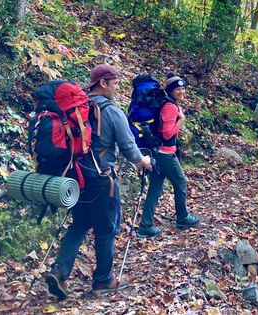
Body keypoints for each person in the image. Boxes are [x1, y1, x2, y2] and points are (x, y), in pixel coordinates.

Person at [45, 64, 152, 300]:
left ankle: (59, 272)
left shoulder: (75, 109)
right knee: (106, 230)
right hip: (102, 179)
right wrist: (143, 161)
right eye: (114, 82)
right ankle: (103, 280)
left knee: (79, 225)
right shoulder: (112, 112)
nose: (117, 86)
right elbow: (128, 147)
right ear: (102, 83)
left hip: (75, 177)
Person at [137, 72, 201, 238]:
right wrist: (181, 120)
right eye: (177, 89)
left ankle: (145, 226)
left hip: (157, 152)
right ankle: (183, 217)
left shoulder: (168, 104)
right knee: (181, 182)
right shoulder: (170, 107)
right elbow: (166, 134)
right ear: (170, 91)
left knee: (155, 188)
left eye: (183, 88)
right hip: (165, 154)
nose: (181, 92)